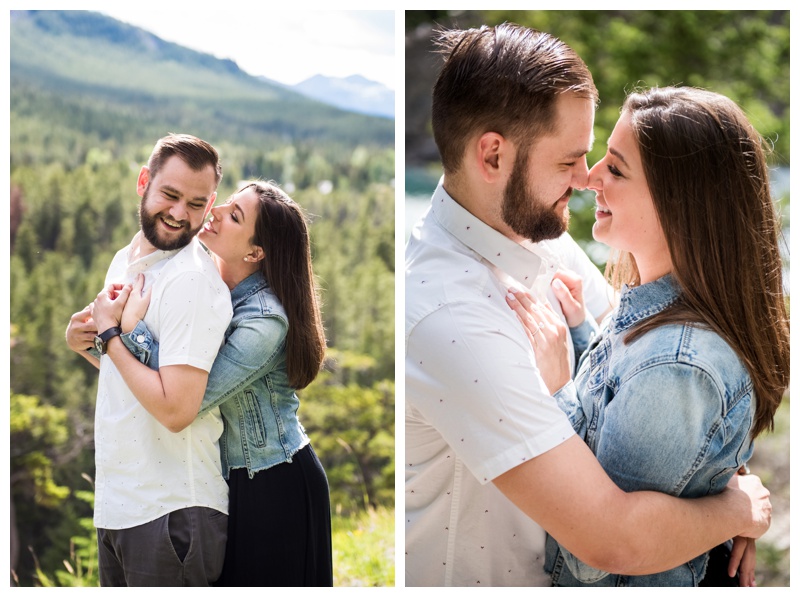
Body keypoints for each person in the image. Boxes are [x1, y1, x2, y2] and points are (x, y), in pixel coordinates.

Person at [405, 23, 773, 587]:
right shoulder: (448, 316)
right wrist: (733, 510)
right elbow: (609, 539)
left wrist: (714, 461)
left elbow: (646, 376)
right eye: (569, 160)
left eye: (600, 159)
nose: (586, 179)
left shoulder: (539, 234)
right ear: (494, 154)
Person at [507, 86, 790, 586]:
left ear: (679, 201)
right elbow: (618, 432)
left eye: (615, 169)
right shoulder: (651, 309)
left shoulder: (678, 365)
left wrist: (557, 389)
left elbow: (595, 555)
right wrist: (580, 337)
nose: (590, 177)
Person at [91, 180, 333, 586]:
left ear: (255, 252)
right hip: (229, 483)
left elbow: (187, 398)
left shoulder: (264, 320)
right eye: (227, 203)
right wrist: (94, 335)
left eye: (235, 216)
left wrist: (125, 330)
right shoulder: (201, 283)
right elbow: (137, 382)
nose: (215, 212)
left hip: (274, 483)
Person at [65, 133, 233, 586]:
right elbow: (140, 382)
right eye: (170, 195)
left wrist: (109, 336)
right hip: (122, 505)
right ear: (144, 181)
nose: (180, 214)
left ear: (211, 202)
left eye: (197, 204)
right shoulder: (127, 259)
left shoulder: (189, 281)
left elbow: (176, 410)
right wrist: (85, 342)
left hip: (172, 511)